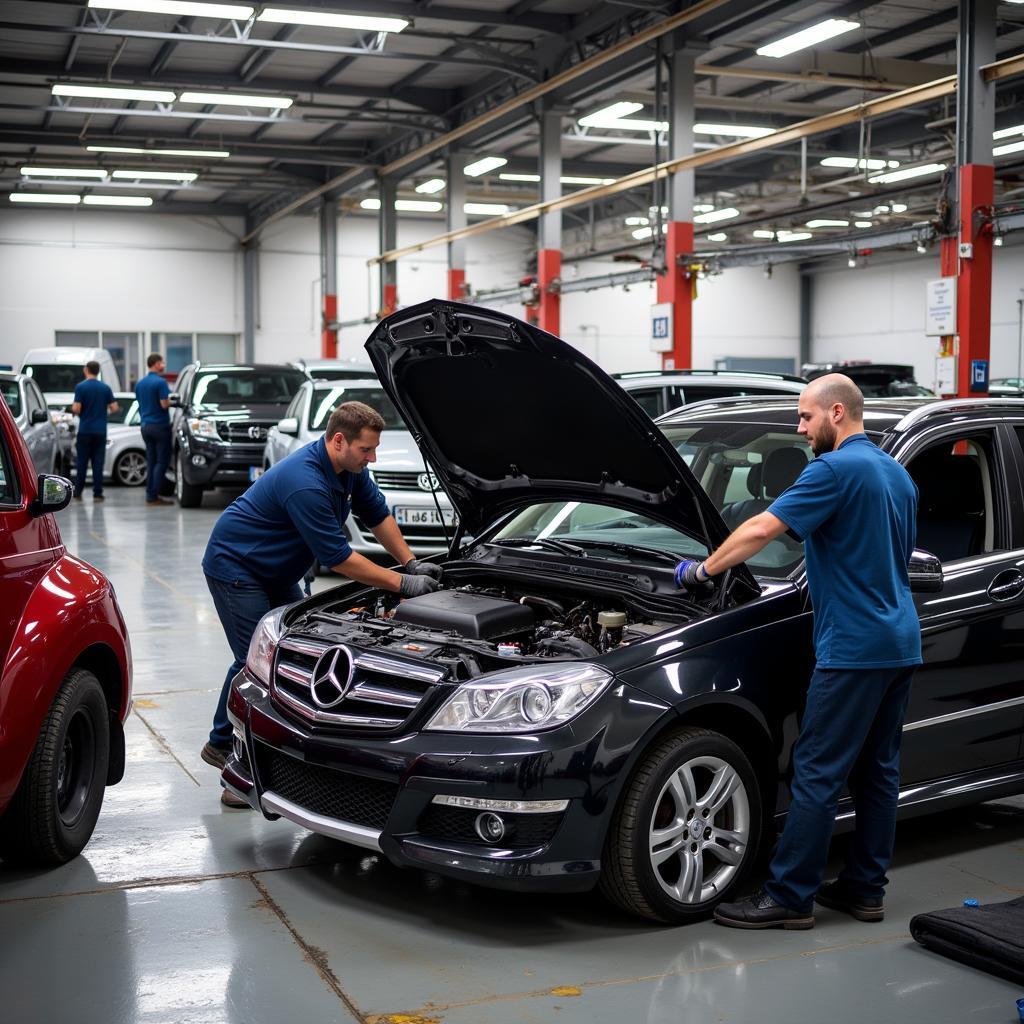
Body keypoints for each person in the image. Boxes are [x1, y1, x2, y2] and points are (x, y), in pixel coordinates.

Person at [675, 374, 921, 930]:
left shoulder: (832, 470)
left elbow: (764, 528)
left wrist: (702, 569)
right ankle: (864, 890)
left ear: (837, 412)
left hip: (852, 647)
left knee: (816, 771)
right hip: (900, 641)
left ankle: (789, 896)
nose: (800, 427)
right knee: (878, 773)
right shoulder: (898, 476)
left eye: (806, 417)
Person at [200, 400, 442, 807]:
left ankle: (235, 743)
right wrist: (403, 583)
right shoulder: (306, 481)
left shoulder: (350, 470)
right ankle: (233, 764)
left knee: (293, 650)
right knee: (258, 662)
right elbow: (338, 558)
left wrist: (411, 560)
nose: (373, 457)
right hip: (237, 567)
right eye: (367, 450)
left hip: (277, 570)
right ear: (338, 440)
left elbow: (377, 514)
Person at [71, 361, 118, 501]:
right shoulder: (105, 388)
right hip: (100, 431)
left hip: (85, 430)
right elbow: (114, 407)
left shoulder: (80, 387)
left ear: (86, 370)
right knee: (98, 463)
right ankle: (98, 493)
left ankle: (78, 493)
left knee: (82, 462)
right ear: (98, 371)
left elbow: (76, 408)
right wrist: (103, 413)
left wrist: (79, 412)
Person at [136, 353, 172, 507]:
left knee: (151, 461)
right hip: (160, 426)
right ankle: (154, 496)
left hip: (145, 426)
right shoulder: (161, 382)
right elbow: (164, 404)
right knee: (162, 461)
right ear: (156, 364)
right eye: (162, 362)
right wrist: (172, 401)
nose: (164, 364)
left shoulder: (139, 383)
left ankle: (149, 494)